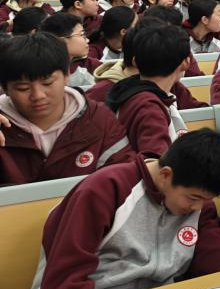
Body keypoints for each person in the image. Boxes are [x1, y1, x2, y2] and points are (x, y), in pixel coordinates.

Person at [24, 129, 220, 289]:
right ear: (165, 175)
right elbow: (64, 284)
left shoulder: (197, 203)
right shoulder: (105, 190)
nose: (198, 207)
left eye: (207, 199)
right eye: (194, 198)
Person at [0, 32, 131, 185]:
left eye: (48, 83)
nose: (38, 95)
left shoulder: (98, 119)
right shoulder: (3, 126)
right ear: (5, 88)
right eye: (23, 88)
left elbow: (124, 176)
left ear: (67, 75)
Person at [106, 21, 199, 157]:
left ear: (135, 62)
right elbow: (158, 162)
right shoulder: (149, 108)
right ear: (186, 63)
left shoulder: (130, 92)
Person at [42, 12, 98, 89]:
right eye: (81, 35)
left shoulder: (83, 64)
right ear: (61, 41)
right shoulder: (45, 74)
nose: (87, 40)